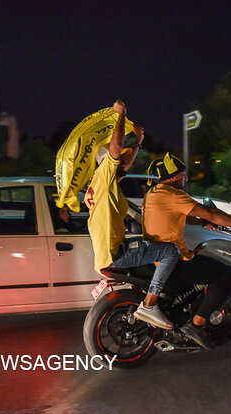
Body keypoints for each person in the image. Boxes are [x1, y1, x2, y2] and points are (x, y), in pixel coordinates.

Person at [142, 153, 231, 349]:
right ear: (173, 177)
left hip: (155, 256)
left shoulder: (153, 194)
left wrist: (204, 223)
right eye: (182, 175)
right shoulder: (173, 195)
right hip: (173, 261)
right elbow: (210, 212)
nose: (185, 178)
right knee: (226, 276)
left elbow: (184, 216)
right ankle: (198, 324)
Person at [84, 100, 180, 330]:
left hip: (108, 251)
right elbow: (116, 151)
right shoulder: (104, 176)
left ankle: (156, 295)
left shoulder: (103, 183)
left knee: (152, 243)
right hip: (114, 254)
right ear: (106, 162)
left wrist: (137, 141)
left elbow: (124, 163)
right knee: (170, 251)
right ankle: (150, 304)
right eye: (115, 159)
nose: (122, 162)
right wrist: (121, 115)